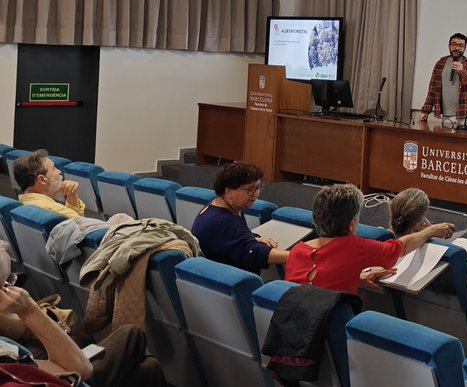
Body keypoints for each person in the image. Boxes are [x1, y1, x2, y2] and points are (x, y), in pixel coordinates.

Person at [0, 240, 166, 387]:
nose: (13, 287)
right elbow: (79, 370)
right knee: (132, 333)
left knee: (148, 369)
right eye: (6, 283)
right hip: (70, 378)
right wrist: (29, 310)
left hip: (50, 369)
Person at [285, 184, 454, 295]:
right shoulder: (354, 247)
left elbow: (318, 282)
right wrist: (431, 231)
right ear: (351, 225)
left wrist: (356, 278)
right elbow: (400, 248)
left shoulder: (296, 251)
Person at [191, 162, 288, 273]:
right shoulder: (226, 222)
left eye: (258, 187)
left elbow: (227, 237)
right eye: (250, 189)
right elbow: (254, 253)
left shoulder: (216, 205)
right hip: (232, 282)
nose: (256, 194)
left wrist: (252, 238)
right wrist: (295, 256)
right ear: (229, 191)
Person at [419, 32, 467, 124]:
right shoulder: (440, 63)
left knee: (466, 138)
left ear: (464, 48)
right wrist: (425, 111)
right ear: (449, 46)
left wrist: (463, 72)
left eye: (461, 46)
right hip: (446, 115)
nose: (457, 48)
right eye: (454, 44)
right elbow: (432, 90)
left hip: (466, 114)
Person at [13, 150, 85, 220]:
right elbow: (82, 227)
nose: (59, 171)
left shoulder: (21, 206)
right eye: (54, 168)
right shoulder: (56, 211)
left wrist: (72, 196)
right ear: (42, 180)